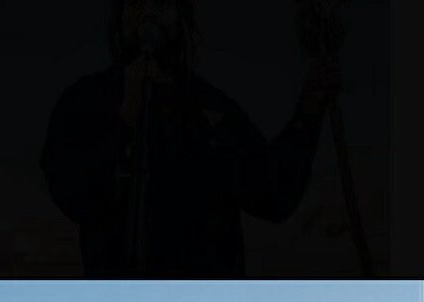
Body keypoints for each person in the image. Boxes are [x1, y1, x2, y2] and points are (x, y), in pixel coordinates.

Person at [40, 0, 339, 276]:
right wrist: (125, 120)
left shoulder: (211, 108)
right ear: (119, 17)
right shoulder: (85, 101)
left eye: (162, 3)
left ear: (181, 18)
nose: (149, 15)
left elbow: (273, 194)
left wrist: (308, 112)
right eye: (137, 3)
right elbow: (72, 191)